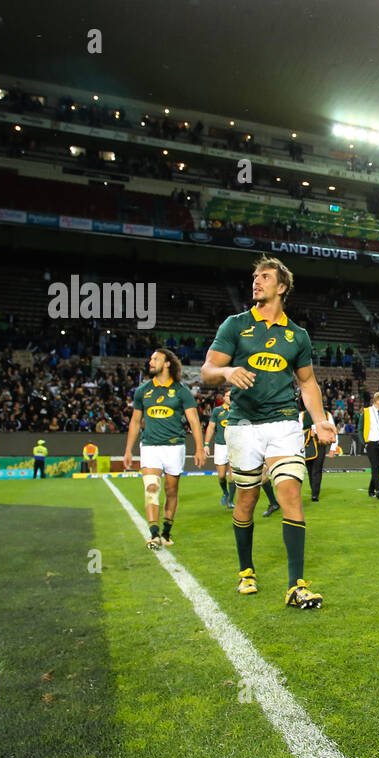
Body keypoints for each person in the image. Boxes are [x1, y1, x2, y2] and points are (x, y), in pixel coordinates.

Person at [201, 255, 336, 608]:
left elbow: (307, 384)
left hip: (284, 424)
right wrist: (228, 372)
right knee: (245, 499)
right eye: (254, 277)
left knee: (290, 492)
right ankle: (246, 570)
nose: (256, 282)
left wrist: (320, 419)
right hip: (243, 425)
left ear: (282, 287)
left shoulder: (298, 335)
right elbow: (206, 371)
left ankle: (297, 585)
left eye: (264, 277)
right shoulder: (236, 325)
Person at [124, 349, 206, 549]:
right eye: (150, 358)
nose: (150, 362)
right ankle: (153, 534)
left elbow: (194, 420)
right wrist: (128, 450)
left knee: (171, 490)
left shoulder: (181, 391)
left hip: (174, 446)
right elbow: (135, 422)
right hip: (150, 446)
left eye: (155, 359)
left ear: (168, 363)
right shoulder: (143, 390)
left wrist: (199, 448)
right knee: (151, 488)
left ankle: (166, 532)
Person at [204, 389, 233, 508]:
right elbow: (211, 427)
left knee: (233, 476)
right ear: (224, 398)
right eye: (227, 396)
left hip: (234, 446)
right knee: (221, 476)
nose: (230, 398)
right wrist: (206, 444)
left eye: (232, 396)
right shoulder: (217, 411)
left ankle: (231, 500)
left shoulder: (238, 410)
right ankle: (225, 492)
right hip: (220, 445)